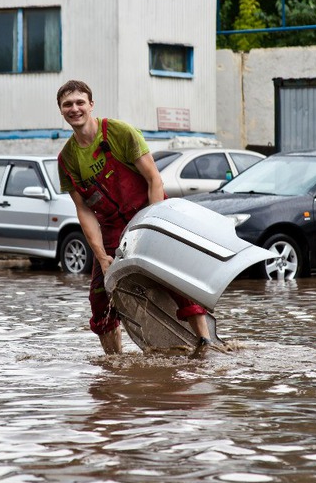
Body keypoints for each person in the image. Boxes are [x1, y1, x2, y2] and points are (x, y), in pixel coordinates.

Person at [56, 79, 212, 355]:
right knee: (99, 296)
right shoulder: (66, 158)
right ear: (61, 110)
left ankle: (205, 344)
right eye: (68, 104)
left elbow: (154, 179)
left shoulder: (119, 132)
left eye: (80, 102)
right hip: (112, 228)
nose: (75, 108)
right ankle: (114, 363)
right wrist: (102, 256)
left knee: (176, 279)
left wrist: (154, 229)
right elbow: (84, 210)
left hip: (149, 213)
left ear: (91, 105)